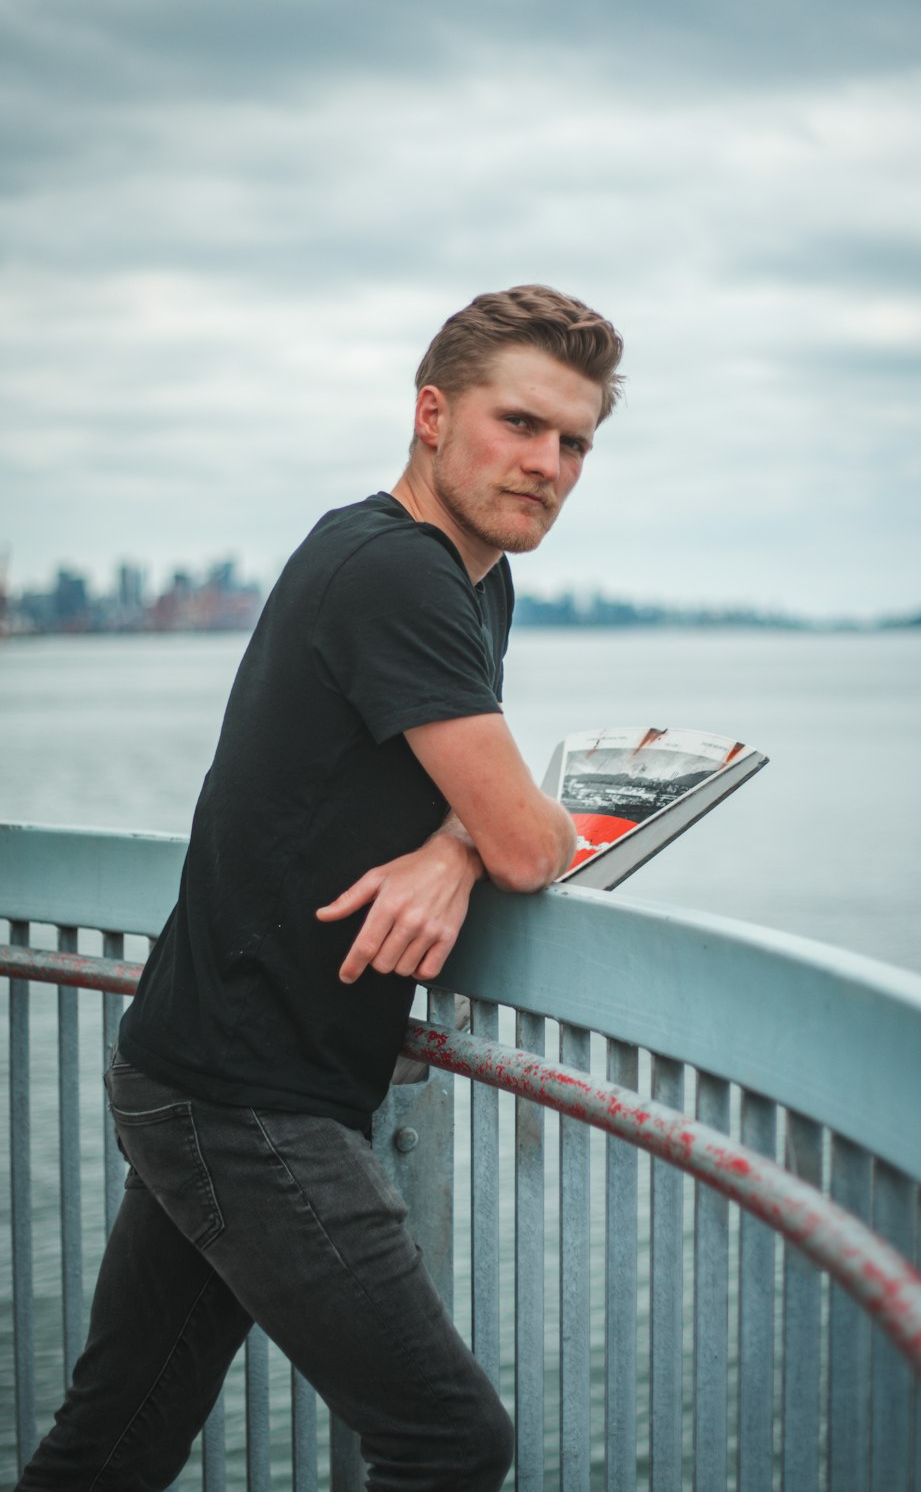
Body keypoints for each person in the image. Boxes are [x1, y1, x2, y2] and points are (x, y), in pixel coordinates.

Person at [17, 284, 624, 1492]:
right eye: (519, 423)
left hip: (210, 1065)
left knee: (115, 1442)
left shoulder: (467, 576)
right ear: (432, 413)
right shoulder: (392, 569)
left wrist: (452, 845)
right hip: (247, 1093)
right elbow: (522, 837)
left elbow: (473, 804)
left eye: (574, 443)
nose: (546, 464)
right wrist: (479, 842)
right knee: (448, 1439)